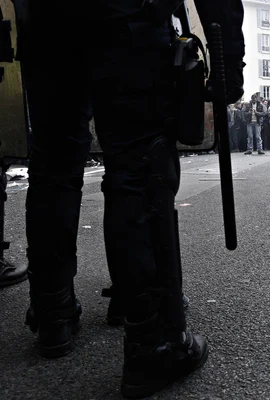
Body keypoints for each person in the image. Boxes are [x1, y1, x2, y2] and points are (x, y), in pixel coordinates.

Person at [16, 0, 245, 398]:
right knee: (139, 162)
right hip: (127, 14)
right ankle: (153, 339)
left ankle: (54, 311)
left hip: (45, 19)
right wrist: (229, 58)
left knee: (54, 161)